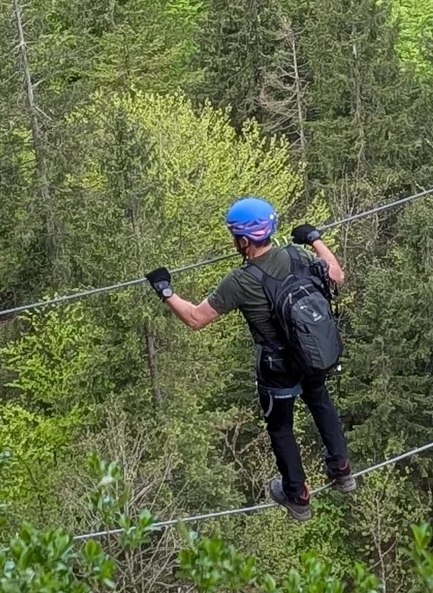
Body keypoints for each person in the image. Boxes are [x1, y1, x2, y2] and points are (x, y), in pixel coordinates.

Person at [144, 197, 355, 521]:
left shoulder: (240, 281)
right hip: (311, 352)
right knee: (320, 401)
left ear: (243, 241)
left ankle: (297, 495)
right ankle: (342, 470)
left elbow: (196, 318)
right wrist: (315, 239)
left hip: (277, 367)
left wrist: (165, 290)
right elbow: (336, 276)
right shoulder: (296, 254)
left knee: (281, 428)